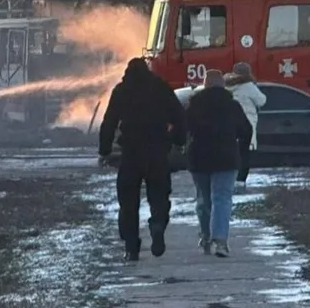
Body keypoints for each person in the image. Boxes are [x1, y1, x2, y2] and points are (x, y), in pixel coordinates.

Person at [99, 58, 187, 262]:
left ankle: (131, 247)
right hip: (157, 151)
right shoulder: (160, 87)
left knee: (128, 202)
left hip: (131, 153)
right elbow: (179, 115)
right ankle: (157, 225)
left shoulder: (121, 90)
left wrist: (104, 150)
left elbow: (109, 121)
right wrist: (178, 140)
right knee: (159, 196)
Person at [186, 69, 252, 258]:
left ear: (205, 84)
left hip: (199, 159)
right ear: (223, 85)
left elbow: (184, 129)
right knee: (222, 199)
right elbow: (246, 130)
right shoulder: (233, 106)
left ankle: (206, 236)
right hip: (226, 158)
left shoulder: (194, 105)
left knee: (203, 200)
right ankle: (221, 241)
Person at [225, 62, 267, 190]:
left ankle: (230, 178)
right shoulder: (248, 86)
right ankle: (240, 180)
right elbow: (262, 100)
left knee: (231, 152)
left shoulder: (226, 85)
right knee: (244, 153)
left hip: (228, 123)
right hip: (246, 122)